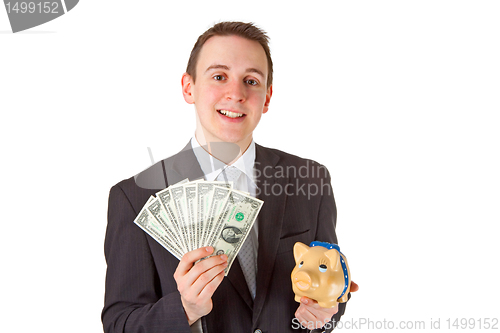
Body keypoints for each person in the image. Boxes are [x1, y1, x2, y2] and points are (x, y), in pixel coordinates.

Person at [102, 21, 357, 333]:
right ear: (188, 87)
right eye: (219, 77)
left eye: (251, 81)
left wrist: (324, 311)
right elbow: (120, 325)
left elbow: (330, 283)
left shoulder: (310, 181)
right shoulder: (136, 198)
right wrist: (186, 309)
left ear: (267, 97)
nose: (235, 93)